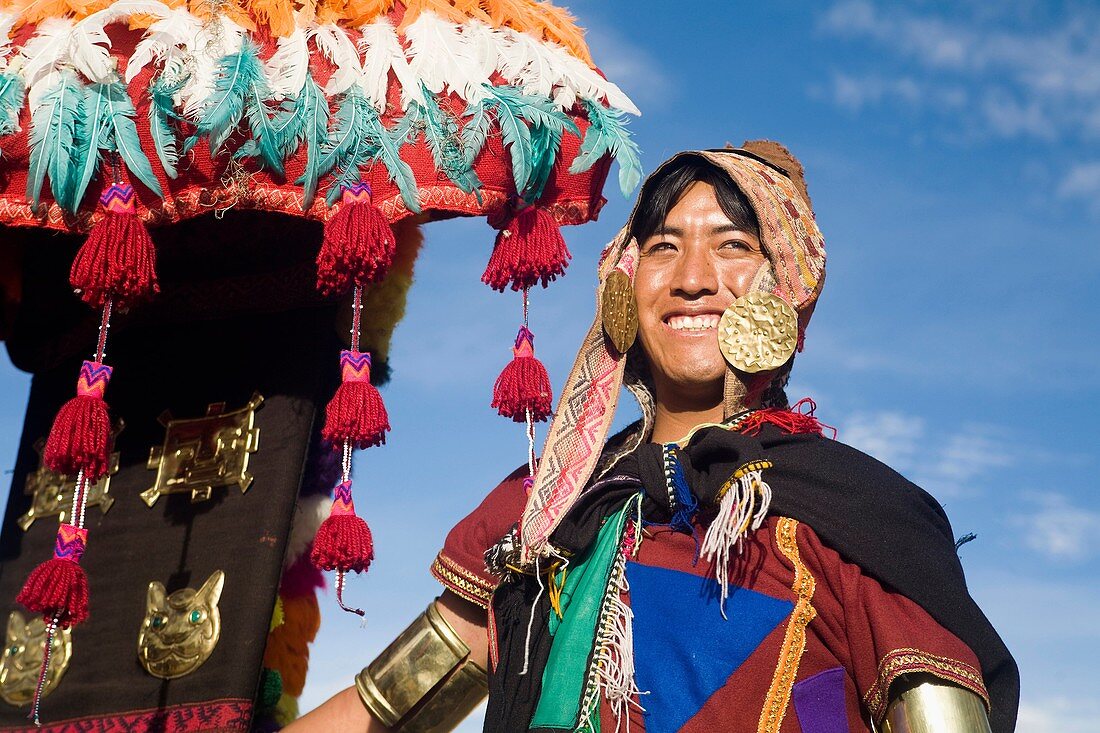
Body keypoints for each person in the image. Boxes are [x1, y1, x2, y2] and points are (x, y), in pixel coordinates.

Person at [286, 144, 1018, 732]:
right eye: (664, 247)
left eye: (733, 246)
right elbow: (388, 706)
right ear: (624, 284)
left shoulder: (855, 519)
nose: (692, 279)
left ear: (786, 286)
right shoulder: (547, 502)